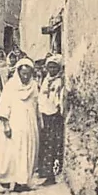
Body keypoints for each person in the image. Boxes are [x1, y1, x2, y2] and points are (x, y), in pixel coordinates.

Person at [0, 58, 40, 192]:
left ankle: (22, 181)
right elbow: (4, 106)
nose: (25, 76)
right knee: (10, 153)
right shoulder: (11, 86)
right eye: (23, 73)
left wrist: (38, 121)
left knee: (26, 151)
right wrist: (6, 125)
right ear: (18, 73)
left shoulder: (34, 86)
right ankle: (5, 181)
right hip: (13, 122)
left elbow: (36, 105)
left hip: (29, 124)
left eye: (28, 74)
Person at [38, 54, 65, 185]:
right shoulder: (45, 80)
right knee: (45, 143)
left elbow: (59, 98)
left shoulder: (59, 81)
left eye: (55, 67)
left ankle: (52, 175)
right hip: (44, 114)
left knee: (53, 144)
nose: (52, 70)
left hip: (54, 115)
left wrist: (59, 109)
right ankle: (44, 172)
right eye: (50, 67)